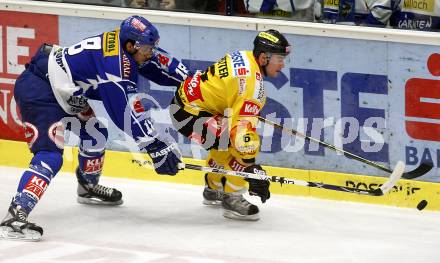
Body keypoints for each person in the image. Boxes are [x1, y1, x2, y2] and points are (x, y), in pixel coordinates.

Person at [0, 15, 188, 241]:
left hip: (67, 90)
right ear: (131, 45)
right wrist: (155, 145)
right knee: (50, 155)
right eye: (148, 48)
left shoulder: (125, 48)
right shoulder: (116, 65)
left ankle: (88, 186)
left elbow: (158, 65)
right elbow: (124, 111)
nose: (151, 52)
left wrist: (194, 79)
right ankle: (15, 214)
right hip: (40, 91)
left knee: (95, 133)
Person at [170, 29, 291, 221]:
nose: (283, 64)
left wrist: (241, 111)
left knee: (223, 141)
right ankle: (232, 197)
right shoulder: (253, 87)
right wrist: (252, 169)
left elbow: (230, 92)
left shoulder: (244, 56)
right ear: (263, 57)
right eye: (279, 59)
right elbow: (242, 134)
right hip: (191, 114)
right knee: (247, 145)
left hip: (186, 104)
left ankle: (213, 187)